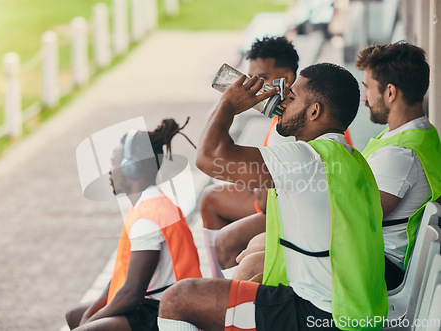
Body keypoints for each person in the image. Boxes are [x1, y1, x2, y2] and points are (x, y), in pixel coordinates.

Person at [157, 63, 387, 331]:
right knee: (251, 258)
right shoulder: (352, 159)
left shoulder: (306, 158)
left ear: (314, 111)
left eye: (291, 98)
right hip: (352, 311)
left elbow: (209, 158)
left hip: (320, 315)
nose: (281, 104)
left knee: (178, 298)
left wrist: (228, 105)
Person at [66, 119, 202, 331]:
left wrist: (90, 322)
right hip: (154, 303)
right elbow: (121, 280)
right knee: (76, 316)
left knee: (87, 326)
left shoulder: (148, 217)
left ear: (131, 169)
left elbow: (132, 293)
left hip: (167, 311)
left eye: (114, 163)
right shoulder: (148, 204)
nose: (110, 171)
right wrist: (89, 315)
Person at [200, 36, 299, 278]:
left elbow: (205, 158)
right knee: (210, 197)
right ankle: (218, 281)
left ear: (285, 78)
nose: (254, 87)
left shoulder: (293, 121)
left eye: (262, 79)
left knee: (225, 240)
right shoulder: (283, 111)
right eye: (250, 79)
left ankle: (222, 290)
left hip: (288, 210)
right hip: (275, 198)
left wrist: (228, 105)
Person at [356, 41, 441, 290]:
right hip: (374, 257)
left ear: (390, 92)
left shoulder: (400, 154)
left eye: (367, 88)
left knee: (261, 257)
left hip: (381, 267)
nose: (364, 98)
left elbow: (357, 218)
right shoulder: (422, 133)